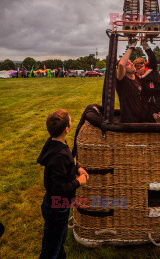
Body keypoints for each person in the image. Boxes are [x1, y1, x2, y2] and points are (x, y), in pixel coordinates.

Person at [37, 109, 89, 259]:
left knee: (59, 239)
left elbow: (67, 165)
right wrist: (78, 181)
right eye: (71, 121)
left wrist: (77, 168)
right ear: (67, 129)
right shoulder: (59, 156)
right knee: (51, 247)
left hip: (55, 205)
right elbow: (60, 189)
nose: (72, 122)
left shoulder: (55, 143)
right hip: (57, 206)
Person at [134, 39, 160, 122]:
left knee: (153, 120)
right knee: (143, 119)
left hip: (156, 101)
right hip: (145, 102)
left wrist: (146, 47)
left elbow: (152, 58)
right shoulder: (137, 77)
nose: (139, 70)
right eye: (137, 68)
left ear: (144, 65)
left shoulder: (152, 70)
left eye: (141, 67)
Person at [116, 39, 143, 123]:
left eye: (131, 62)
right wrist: (131, 47)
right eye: (128, 64)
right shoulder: (122, 81)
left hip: (141, 117)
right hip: (129, 120)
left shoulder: (138, 78)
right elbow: (121, 64)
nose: (132, 64)